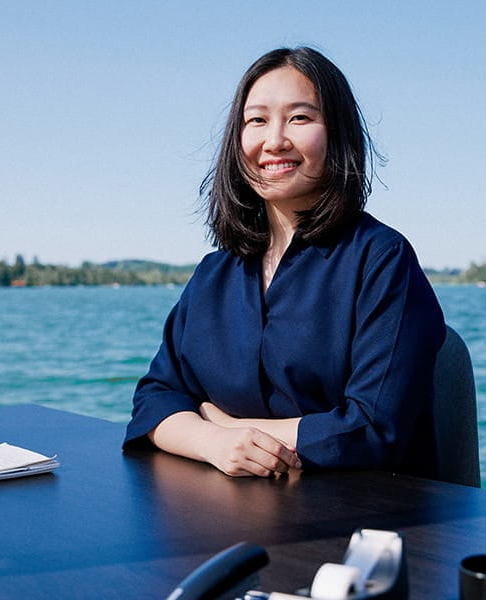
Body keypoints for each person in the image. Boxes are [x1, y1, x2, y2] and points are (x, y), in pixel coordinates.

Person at [123, 46, 446, 478]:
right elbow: (156, 398)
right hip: (225, 518)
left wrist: (235, 427)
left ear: (337, 134)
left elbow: (373, 429)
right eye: (256, 120)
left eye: (300, 118)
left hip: (361, 520)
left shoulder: (381, 258)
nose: (274, 140)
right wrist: (213, 441)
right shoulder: (214, 274)